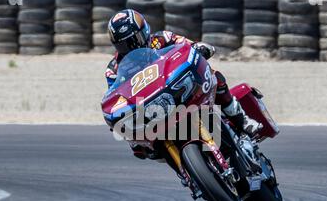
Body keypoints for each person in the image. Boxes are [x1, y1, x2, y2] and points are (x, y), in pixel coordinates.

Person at [106, 9, 262, 159]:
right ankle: (188, 173)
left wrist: (199, 48)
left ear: (145, 32)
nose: (133, 47)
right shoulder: (114, 69)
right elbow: (117, 97)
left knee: (214, 75)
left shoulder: (162, 39)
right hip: (152, 108)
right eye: (124, 45)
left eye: (136, 39)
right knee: (140, 145)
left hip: (179, 88)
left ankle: (242, 120)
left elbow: (188, 48)